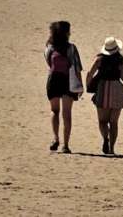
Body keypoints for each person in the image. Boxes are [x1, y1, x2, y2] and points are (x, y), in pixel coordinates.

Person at [85, 37, 123, 155]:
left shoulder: (99, 59)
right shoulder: (121, 61)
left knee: (102, 121)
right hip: (117, 89)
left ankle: (105, 138)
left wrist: (88, 86)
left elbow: (89, 73)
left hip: (103, 88)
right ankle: (112, 149)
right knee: (114, 122)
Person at [45, 21, 83, 153]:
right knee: (67, 113)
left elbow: (48, 62)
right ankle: (66, 145)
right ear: (67, 33)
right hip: (68, 81)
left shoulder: (50, 48)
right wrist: (80, 84)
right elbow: (77, 67)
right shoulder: (71, 48)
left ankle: (55, 138)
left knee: (54, 110)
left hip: (53, 80)